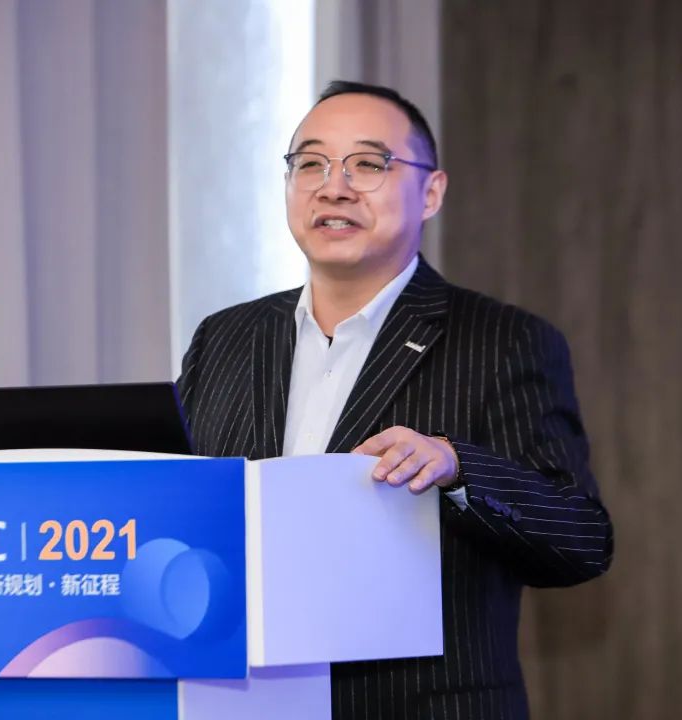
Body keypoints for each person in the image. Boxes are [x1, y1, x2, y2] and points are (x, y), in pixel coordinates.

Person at [176, 80, 613, 720]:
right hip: (239, 704)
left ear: (430, 192)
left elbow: (580, 539)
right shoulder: (226, 337)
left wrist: (457, 469)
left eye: (368, 164)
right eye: (311, 164)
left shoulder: (502, 341)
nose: (334, 187)